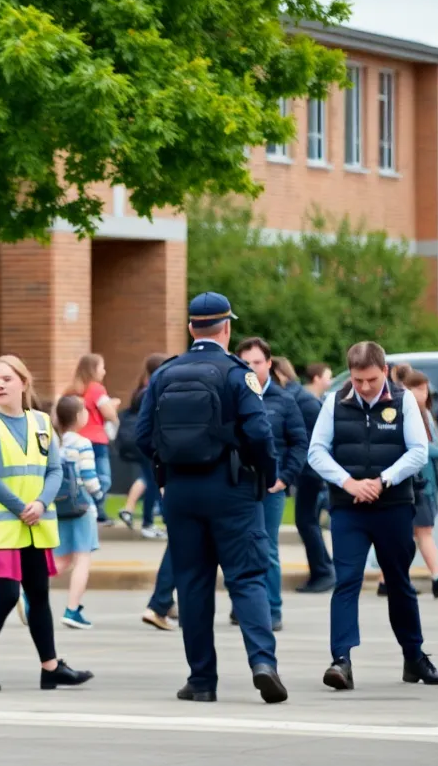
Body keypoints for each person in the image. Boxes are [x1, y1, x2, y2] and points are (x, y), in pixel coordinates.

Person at [135, 292, 287, 704]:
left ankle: (201, 680)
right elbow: (259, 432)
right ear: (227, 328)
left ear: (190, 329)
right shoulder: (238, 374)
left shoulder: (165, 374)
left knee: (193, 584)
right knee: (248, 576)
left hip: (181, 493)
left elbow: (142, 435)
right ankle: (262, 663)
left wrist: (164, 475)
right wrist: (267, 475)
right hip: (232, 488)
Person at [307, 341, 438, 690]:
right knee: (347, 581)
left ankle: (414, 657)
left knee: (399, 582)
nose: (365, 386)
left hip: (394, 507)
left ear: (384, 371)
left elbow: (418, 452)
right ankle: (341, 661)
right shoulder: (333, 404)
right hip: (348, 509)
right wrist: (349, 483)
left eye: (370, 379)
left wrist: (383, 480)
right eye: (357, 380)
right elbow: (316, 452)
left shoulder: (404, 402)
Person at [0, 356, 93, 692]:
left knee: (38, 595)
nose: (0, 385)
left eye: (6, 379)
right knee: (6, 596)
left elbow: (55, 470)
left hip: (34, 522)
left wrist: (42, 503)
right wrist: (22, 507)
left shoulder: (42, 423)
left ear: (23, 382)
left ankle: (50, 667)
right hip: (2, 526)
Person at [228, 339, 306, 632]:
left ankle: (272, 610)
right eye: (245, 363)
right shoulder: (231, 399)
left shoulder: (284, 401)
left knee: (267, 549)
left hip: (271, 490)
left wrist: (284, 478)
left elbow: (300, 443)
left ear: (269, 364)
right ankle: (242, 607)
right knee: (237, 548)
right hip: (237, 488)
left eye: (257, 362)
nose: (251, 368)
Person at [390, 371, 438, 599]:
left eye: (424, 389)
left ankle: (391, 578)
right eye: (417, 388)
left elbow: (433, 446)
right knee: (422, 533)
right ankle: (437, 578)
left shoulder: (425, 415)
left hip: (428, 483)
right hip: (416, 484)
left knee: (409, 535)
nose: (422, 394)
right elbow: (421, 448)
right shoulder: (404, 415)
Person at [272, 357, 334, 593]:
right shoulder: (299, 398)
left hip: (311, 471)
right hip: (308, 470)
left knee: (306, 522)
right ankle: (323, 570)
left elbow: (320, 437)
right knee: (307, 522)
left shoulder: (301, 401)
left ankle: (324, 572)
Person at [47, 395, 104, 629]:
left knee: (61, 559)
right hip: (81, 507)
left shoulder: (54, 443)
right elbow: (89, 479)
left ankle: (28, 590)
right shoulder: (82, 443)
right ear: (80, 416)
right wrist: (99, 496)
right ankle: (72, 610)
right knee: (82, 559)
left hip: (59, 506)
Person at [118, 353, 169, 537]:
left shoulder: (142, 390)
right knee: (154, 482)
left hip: (141, 443)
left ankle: (151, 521)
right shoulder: (150, 392)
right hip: (148, 444)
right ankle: (148, 523)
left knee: (152, 481)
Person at [68, 354, 119, 527]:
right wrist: (113, 407)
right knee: (103, 479)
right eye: (101, 367)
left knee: (82, 476)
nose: (104, 372)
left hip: (77, 438)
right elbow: (109, 413)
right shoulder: (97, 388)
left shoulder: (74, 389)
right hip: (97, 439)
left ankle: (95, 512)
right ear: (93, 369)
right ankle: (89, 507)